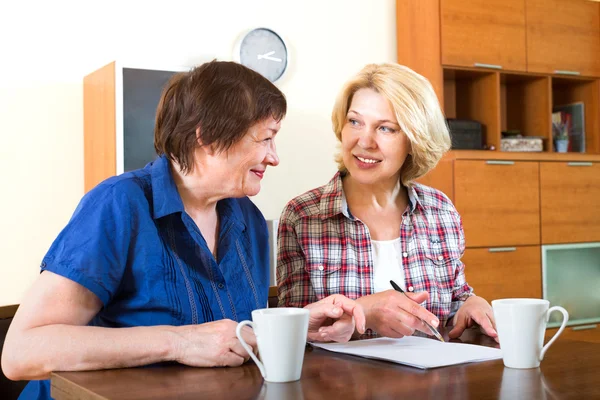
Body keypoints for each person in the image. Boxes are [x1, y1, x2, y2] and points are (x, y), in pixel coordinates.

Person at [1, 60, 365, 400]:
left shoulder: (248, 221)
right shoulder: (119, 203)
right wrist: (178, 342)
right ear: (206, 137)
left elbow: (228, 340)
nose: (274, 156)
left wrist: (297, 327)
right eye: (265, 138)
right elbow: (21, 353)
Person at [276, 63, 497, 341]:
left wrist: (471, 304)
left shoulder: (440, 211)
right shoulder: (303, 216)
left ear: (414, 141)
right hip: (339, 383)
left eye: (386, 128)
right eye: (354, 122)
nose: (365, 141)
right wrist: (364, 311)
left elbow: (455, 301)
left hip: (432, 382)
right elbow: (291, 331)